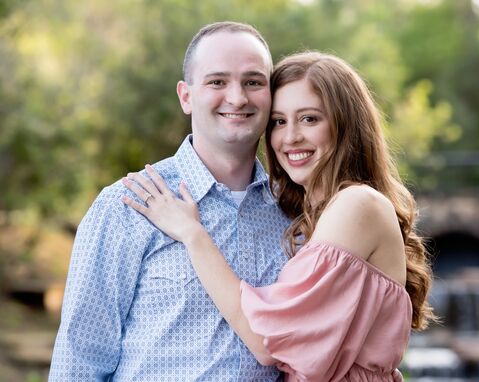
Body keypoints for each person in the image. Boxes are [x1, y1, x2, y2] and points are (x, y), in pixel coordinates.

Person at [122, 52, 436, 381]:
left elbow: (266, 341)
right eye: (279, 122)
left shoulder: (358, 205)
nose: (290, 137)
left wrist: (193, 234)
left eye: (310, 119)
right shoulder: (306, 215)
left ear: (346, 126)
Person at [49, 21, 291, 381]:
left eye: (254, 82)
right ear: (186, 96)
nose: (238, 97)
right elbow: (78, 363)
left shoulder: (294, 215)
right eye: (217, 81)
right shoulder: (126, 206)